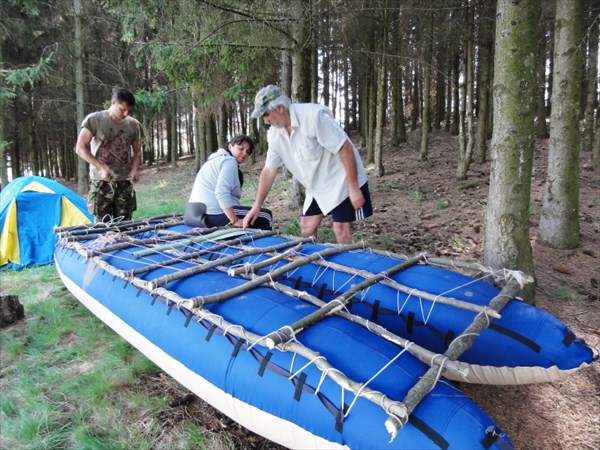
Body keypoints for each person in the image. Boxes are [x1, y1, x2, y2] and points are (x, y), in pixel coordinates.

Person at [243, 85, 372, 244]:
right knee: (307, 227)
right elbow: (269, 170)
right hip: (317, 185)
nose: (265, 120)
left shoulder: (313, 116)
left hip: (341, 179)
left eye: (266, 114)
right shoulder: (275, 135)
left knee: (340, 229)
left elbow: (345, 147)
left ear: (280, 108)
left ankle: (351, 267)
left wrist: (353, 186)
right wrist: (257, 206)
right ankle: (313, 263)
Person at [75, 87, 142, 222]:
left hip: (124, 182)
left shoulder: (134, 125)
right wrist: (102, 167)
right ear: (113, 103)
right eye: (122, 109)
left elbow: (137, 151)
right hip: (101, 182)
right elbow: (80, 148)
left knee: (125, 225)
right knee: (101, 226)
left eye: (129, 110)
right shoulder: (94, 120)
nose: (126, 113)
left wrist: (135, 170)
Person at [186, 134, 272, 230]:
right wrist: (234, 220)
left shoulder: (216, 159)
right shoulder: (229, 161)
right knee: (265, 215)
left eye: (247, 152)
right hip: (212, 214)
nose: (244, 153)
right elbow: (221, 192)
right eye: (241, 148)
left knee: (255, 215)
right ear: (230, 146)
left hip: (194, 215)